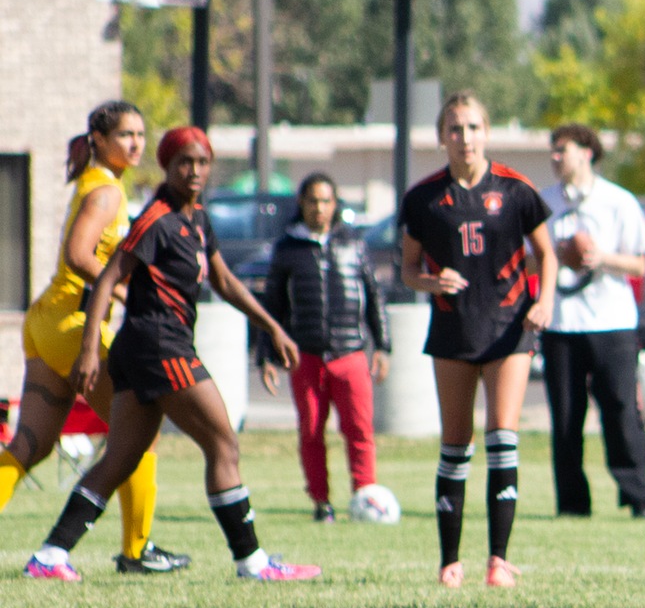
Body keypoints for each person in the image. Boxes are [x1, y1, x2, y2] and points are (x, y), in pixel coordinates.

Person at [24, 125, 317, 582]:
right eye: (185, 162)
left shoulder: (196, 218)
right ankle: (252, 562)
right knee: (224, 444)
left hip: (148, 349)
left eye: (202, 162)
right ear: (167, 166)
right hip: (158, 345)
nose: (195, 170)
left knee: (121, 457)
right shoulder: (156, 218)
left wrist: (271, 326)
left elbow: (224, 282)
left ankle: (50, 556)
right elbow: (105, 278)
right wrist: (87, 352)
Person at [0, 105, 185, 574]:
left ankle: (131, 549)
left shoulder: (99, 182)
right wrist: (125, 288)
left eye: (141, 134)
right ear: (99, 139)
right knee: (139, 432)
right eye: (125, 134)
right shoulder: (105, 191)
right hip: (75, 326)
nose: (137, 144)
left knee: (31, 445)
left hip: (47, 322)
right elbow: (79, 255)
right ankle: (136, 551)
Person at [399, 91, 556, 589]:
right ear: (442, 136)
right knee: (455, 444)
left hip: (510, 328)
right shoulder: (423, 198)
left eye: (472, 127)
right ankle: (450, 562)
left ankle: (498, 561)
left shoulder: (515, 189)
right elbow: (406, 270)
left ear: (486, 132)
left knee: (502, 438)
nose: (464, 138)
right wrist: (431, 281)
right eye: (454, 128)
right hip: (452, 329)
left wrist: (544, 300)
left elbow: (547, 255)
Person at [256, 172, 390, 521]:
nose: (320, 208)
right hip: (307, 356)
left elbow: (374, 296)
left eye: (326, 201)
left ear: (336, 204)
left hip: (351, 353)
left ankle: (365, 495)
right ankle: (321, 502)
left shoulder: (353, 243)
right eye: (313, 200)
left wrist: (383, 346)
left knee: (359, 429)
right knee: (312, 430)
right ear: (301, 203)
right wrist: (267, 354)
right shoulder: (288, 248)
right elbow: (272, 305)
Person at [540, 122, 645, 519]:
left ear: (587, 152)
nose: (556, 158)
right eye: (553, 151)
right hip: (561, 323)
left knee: (622, 411)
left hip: (612, 322)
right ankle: (572, 504)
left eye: (563, 150)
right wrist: (555, 253)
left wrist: (599, 258)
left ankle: (638, 497)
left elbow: (640, 263)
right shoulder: (544, 202)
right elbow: (526, 256)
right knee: (567, 417)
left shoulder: (617, 201)